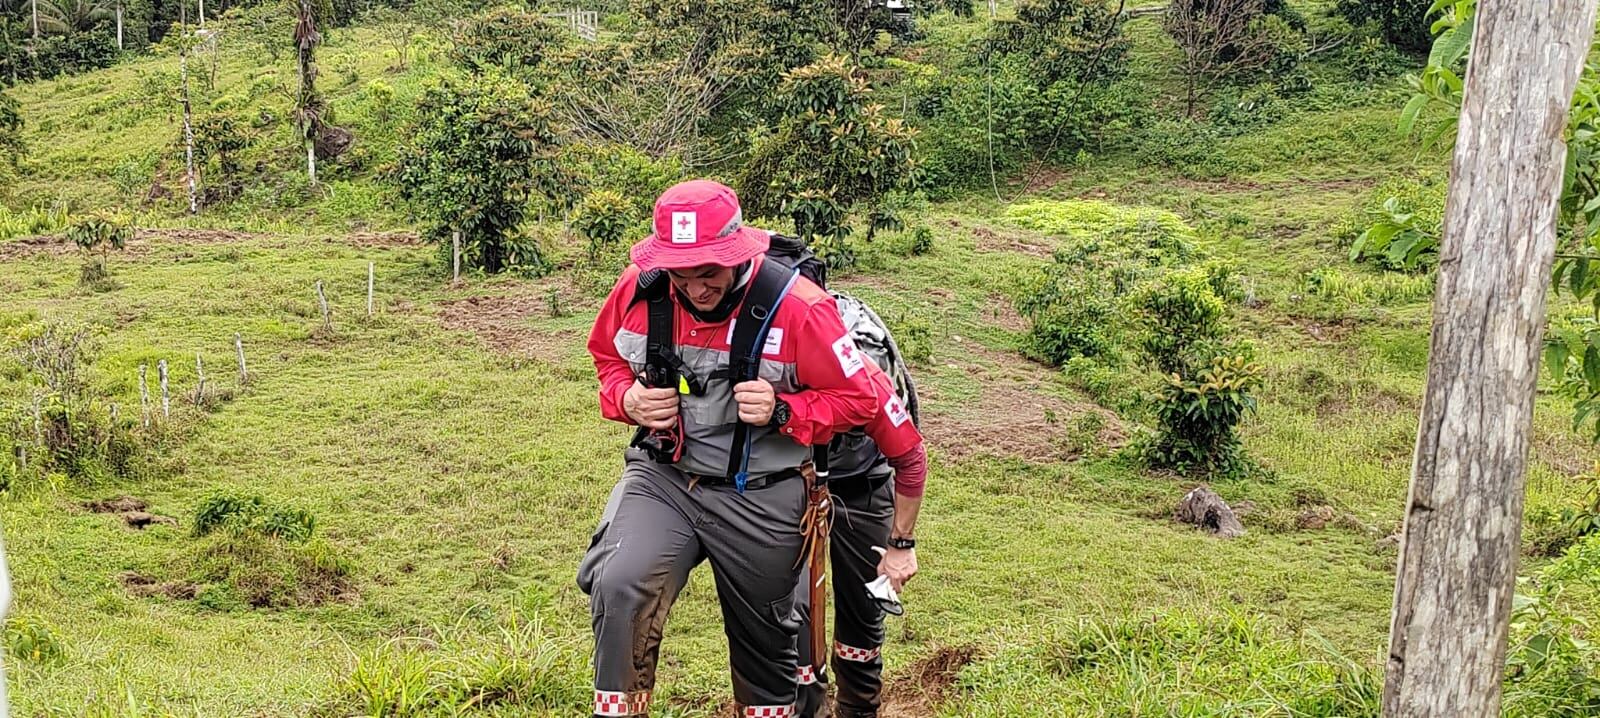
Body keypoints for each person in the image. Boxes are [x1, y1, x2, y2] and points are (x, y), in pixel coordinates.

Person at [579, 179, 879, 718]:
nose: (696, 288)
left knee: (767, 649)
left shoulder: (801, 309)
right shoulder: (639, 290)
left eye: (710, 271)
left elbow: (859, 402)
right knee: (620, 583)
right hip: (665, 478)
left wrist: (787, 410)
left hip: (762, 491)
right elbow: (606, 357)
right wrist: (628, 398)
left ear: (738, 252)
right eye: (682, 273)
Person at [794, 360, 926, 718]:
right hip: (788, 487)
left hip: (863, 482)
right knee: (793, 617)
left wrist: (901, 545)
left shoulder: (861, 373)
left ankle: (860, 708)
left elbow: (912, 457)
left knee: (863, 611)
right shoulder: (764, 356)